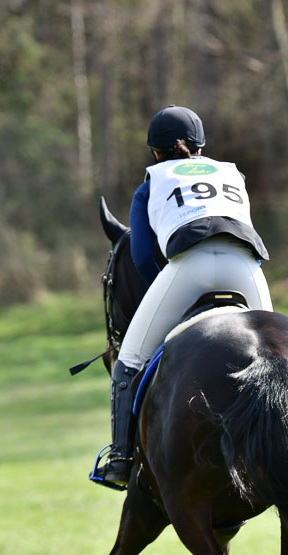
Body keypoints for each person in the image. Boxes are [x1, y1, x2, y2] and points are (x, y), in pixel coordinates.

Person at [91, 105, 273, 488]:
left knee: (129, 359)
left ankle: (121, 460)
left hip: (190, 266)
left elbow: (141, 255)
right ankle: (282, 450)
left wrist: (172, 295)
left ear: (155, 153)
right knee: (274, 359)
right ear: (202, 146)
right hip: (247, 268)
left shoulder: (151, 184)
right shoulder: (232, 173)